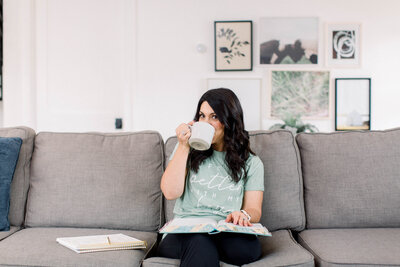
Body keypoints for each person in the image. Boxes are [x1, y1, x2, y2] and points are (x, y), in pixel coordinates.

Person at [158, 88, 264, 267]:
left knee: (246, 250)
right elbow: (170, 192)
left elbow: (254, 209)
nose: (206, 123)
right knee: (200, 243)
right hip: (186, 231)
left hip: (225, 229)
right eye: (202, 116)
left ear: (230, 120)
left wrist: (243, 214)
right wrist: (184, 146)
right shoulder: (185, 149)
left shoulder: (252, 163)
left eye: (214, 117)